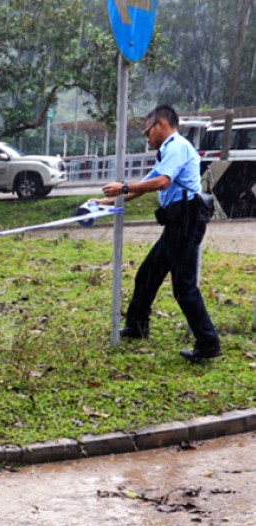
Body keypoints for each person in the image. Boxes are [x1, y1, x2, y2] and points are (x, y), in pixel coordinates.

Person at [98, 104, 220, 362]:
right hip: (177, 221)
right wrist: (102, 204)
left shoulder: (176, 146)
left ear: (161, 125)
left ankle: (208, 342)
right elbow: (142, 187)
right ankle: (137, 326)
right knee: (148, 273)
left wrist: (124, 186)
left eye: (147, 132)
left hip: (187, 218)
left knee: (184, 286)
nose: (147, 137)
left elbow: (162, 182)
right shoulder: (167, 152)